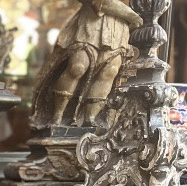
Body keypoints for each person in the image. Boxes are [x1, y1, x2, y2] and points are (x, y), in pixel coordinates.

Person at [31, 0, 143, 129]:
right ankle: (57, 117)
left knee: (109, 70)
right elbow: (101, 3)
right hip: (91, 22)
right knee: (77, 67)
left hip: (117, 27)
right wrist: (133, 16)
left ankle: (90, 119)